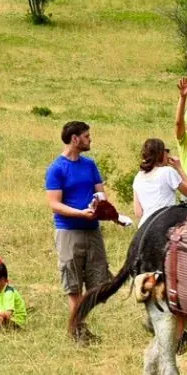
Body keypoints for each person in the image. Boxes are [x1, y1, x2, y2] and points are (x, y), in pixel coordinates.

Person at [46, 120, 111, 327]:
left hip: (92, 230)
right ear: (75, 139)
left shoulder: (90, 165)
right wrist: (81, 213)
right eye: (86, 136)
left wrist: (101, 206)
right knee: (73, 285)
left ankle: (83, 323)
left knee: (98, 281)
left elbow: (100, 192)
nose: (90, 139)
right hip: (69, 231)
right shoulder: (56, 169)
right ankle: (77, 329)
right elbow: (55, 204)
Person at [130, 138, 187, 225]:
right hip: (164, 222)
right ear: (161, 153)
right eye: (167, 151)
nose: (168, 154)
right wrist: (179, 168)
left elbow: (138, 212)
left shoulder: (138, 177)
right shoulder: (167, 171)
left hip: (144, 226)